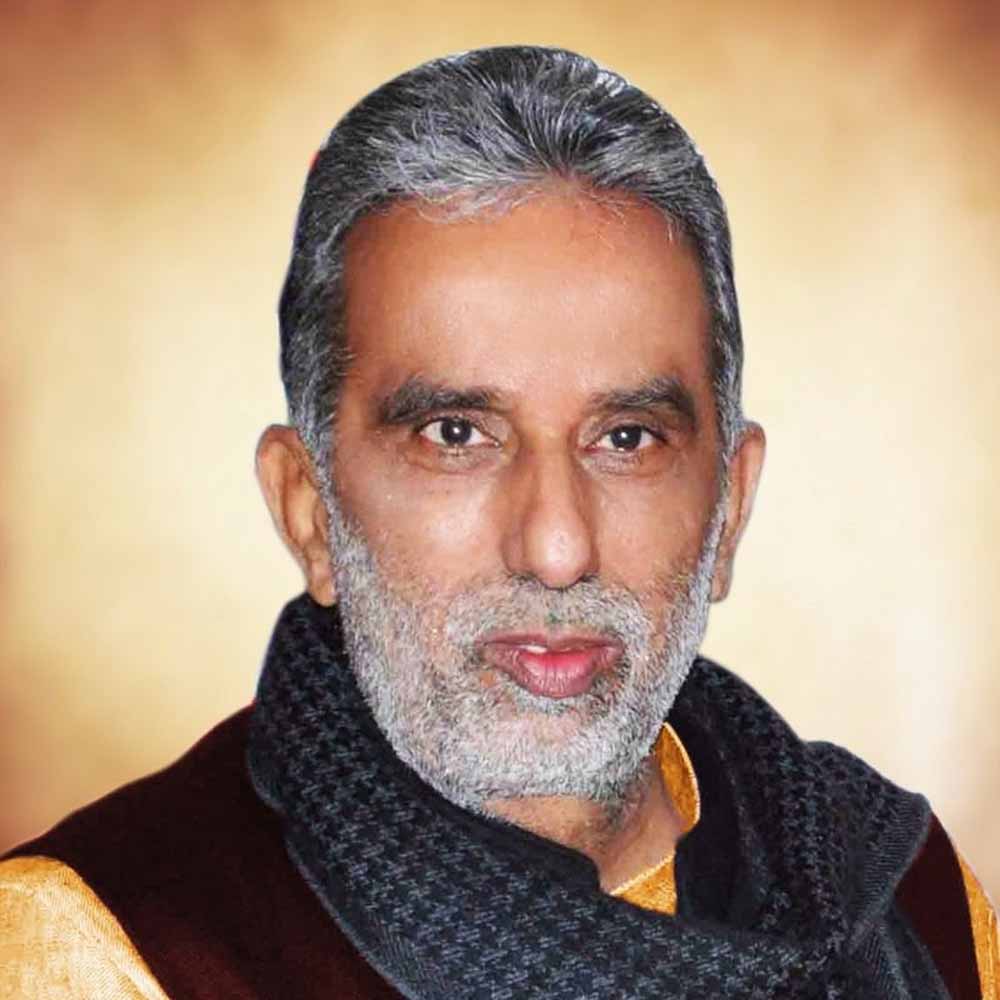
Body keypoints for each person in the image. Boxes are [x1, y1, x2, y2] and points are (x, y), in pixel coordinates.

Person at [0, 45, 995, 1000]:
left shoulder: (907, 898)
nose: (556, 549)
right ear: (309, 509)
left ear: (728, 507)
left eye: (627, 438)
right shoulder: (104, 949)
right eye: (456, 434)